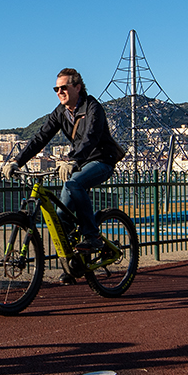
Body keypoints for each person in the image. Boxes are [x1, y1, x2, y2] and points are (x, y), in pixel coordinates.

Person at [11, 68, 127, 252]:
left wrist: (72, 160)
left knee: (74, 183)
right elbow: (41, 137)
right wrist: (17, 161)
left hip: (102, 160)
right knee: (61, 215)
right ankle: (73, 263)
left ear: (78, 87)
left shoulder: (92, 107)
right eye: (56, 89)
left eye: (63, 88)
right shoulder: (60, 112)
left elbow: (91, 137)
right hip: (80, 162)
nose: (59, 92)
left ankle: (92, 236)